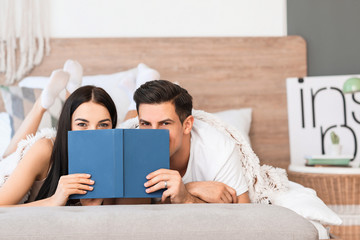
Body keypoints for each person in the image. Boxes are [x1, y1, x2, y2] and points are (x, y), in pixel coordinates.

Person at [0, 60, 118, 206]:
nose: (93, 134)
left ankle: (71, 92)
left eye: (103, 125)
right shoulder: (43, 150)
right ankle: (41, 105)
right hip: (9, 171)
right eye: (82, 124)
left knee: (130, 125)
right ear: (69, 126)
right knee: (10, 156)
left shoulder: (115, 153)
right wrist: (55, 200)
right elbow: (2, 208)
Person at [130, 80, 251, 204]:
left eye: (165, 123)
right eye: (145, 123)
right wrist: (190, 189)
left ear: (187, 125)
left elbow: (243, 215)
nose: (153, 136)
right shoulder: (130, 148)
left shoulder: (219, 148)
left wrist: (186, 197)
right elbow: (134, 216)